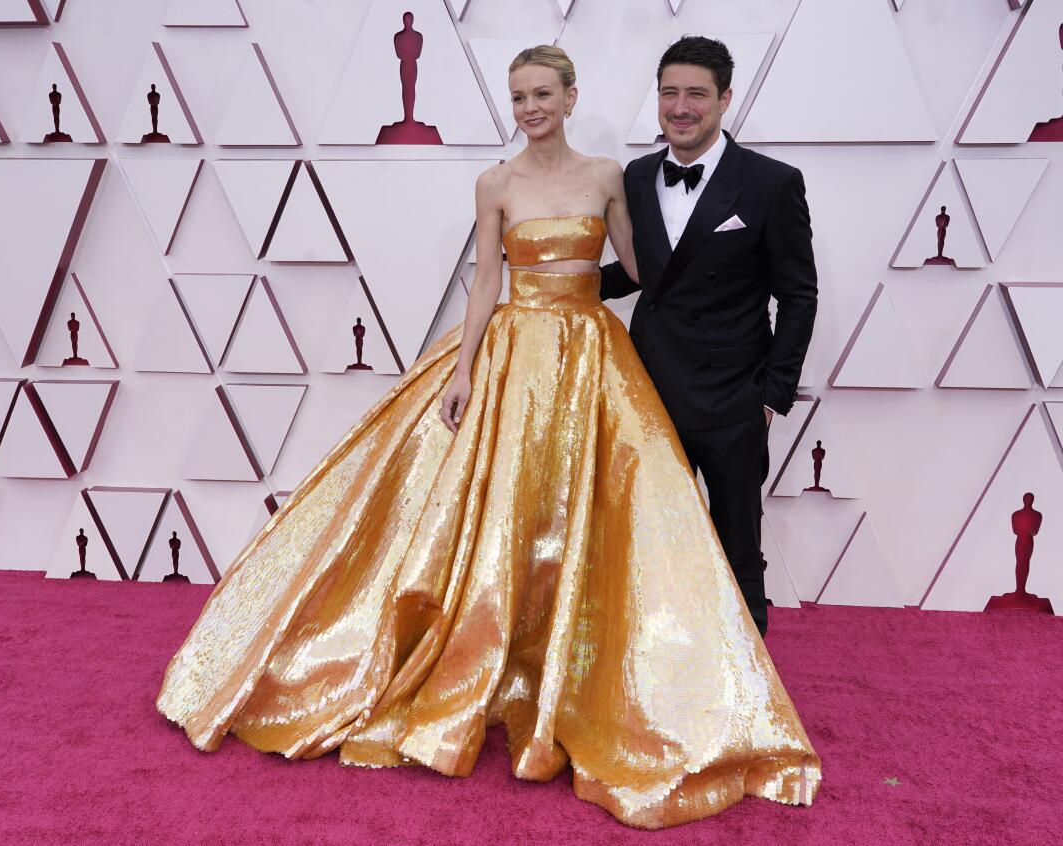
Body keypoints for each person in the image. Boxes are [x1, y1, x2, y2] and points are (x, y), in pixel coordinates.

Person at [157, 45, 820, 829]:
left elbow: (652, 270)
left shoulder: (621, 176)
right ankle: (527, 672)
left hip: (623, 365)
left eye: (544, 93)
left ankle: (724, 691)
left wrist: (765, 388)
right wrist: (466, 365)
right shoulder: (509, 181)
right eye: (519, 96)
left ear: (573, 98)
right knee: (520, 518)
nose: (531, 106)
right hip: (533, 357)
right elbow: (487, 279)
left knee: (673, 532)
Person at [600, 36, 818, 638]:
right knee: (648, 542)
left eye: (696, 93)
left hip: (733, 399)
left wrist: (772, 395)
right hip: (649, 391)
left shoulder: (772, 183)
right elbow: (647, 269)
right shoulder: (638, 177)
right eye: (669, 93)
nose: (680, 107)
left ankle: (746, 692)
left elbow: (798, 294)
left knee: (738, 548)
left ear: (724, 98)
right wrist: (566, 287)